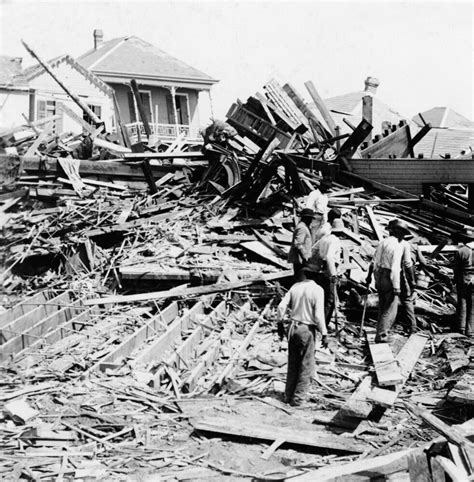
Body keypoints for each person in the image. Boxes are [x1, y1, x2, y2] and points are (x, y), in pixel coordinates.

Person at [277, 267, 328, 406]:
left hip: (292, 327)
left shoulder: (296, 286)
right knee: (306, 365)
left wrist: (280, 323)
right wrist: (324, 333)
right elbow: (318, 315)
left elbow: (281, 307)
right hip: (306, 329)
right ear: (318, 276)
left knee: (293, 363)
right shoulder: (318, 290)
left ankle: (288, 395)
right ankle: (298, 400)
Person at [371, 219, 411, 343]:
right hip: (389, 275)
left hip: (380, 274)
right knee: (390, 308)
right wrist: (396, 286)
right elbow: (395, 267)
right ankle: (382, 335)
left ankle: (379, 332)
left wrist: (375, 278)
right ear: (398, 232)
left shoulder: (383, 242)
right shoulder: (398, 246)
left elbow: (375, 262)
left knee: (382, 306)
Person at [313, 217, 344, 327]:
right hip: (329, 269)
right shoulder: (335, 240)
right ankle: (323, 325)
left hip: (321, 269)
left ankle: (317, 322)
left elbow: (313, 250)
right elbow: (330, 256)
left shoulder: (325, 238)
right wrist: (333, 274)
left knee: (321, 298)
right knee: (329, 300)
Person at [452, 232, 474, 336]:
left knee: (462, 301)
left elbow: (456, 268)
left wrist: (455, 279)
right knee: (472, 304)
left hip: (463, 277)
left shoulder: (461, 251)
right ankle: (470, 330)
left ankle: (461, 327)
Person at [288, 208, 314, 275]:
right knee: (300, 279)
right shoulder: (302, 228)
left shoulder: (303, 226)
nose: (311, 221)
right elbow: (298, 244)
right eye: (310, 219)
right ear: (306, 218)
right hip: (300, 259)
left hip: (300, 259)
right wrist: (304, 256)